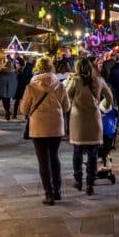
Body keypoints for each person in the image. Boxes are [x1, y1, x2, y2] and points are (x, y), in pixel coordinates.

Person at [21, 56, 71, 204]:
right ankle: (57, 191)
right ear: (51, 68)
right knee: (54, 157)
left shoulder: (31, 86)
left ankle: (48, 194)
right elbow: (67, 107)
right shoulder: (60, 85)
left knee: (43, 160)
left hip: (38, 127)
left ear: (37, 68)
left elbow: (24, 109)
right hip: (56, 125)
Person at [66, 58, 112, 195]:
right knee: (93, 153)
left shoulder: (74, 81)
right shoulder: (99, 80)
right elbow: (109, 97)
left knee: (77, 151)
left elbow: (65, 95)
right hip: (94, 118)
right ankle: (90, 183)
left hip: (77, 119)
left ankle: (78, 179)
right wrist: (103, 108)